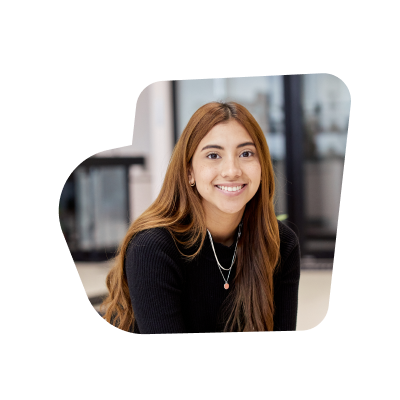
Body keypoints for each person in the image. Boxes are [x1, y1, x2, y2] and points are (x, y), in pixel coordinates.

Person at [99, 101, 300, 333]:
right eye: (213, 155)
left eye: (246, 153)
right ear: (189, 172)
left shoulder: (280, 243)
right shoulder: (152, 248)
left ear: (262, 166)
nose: (232, 171)